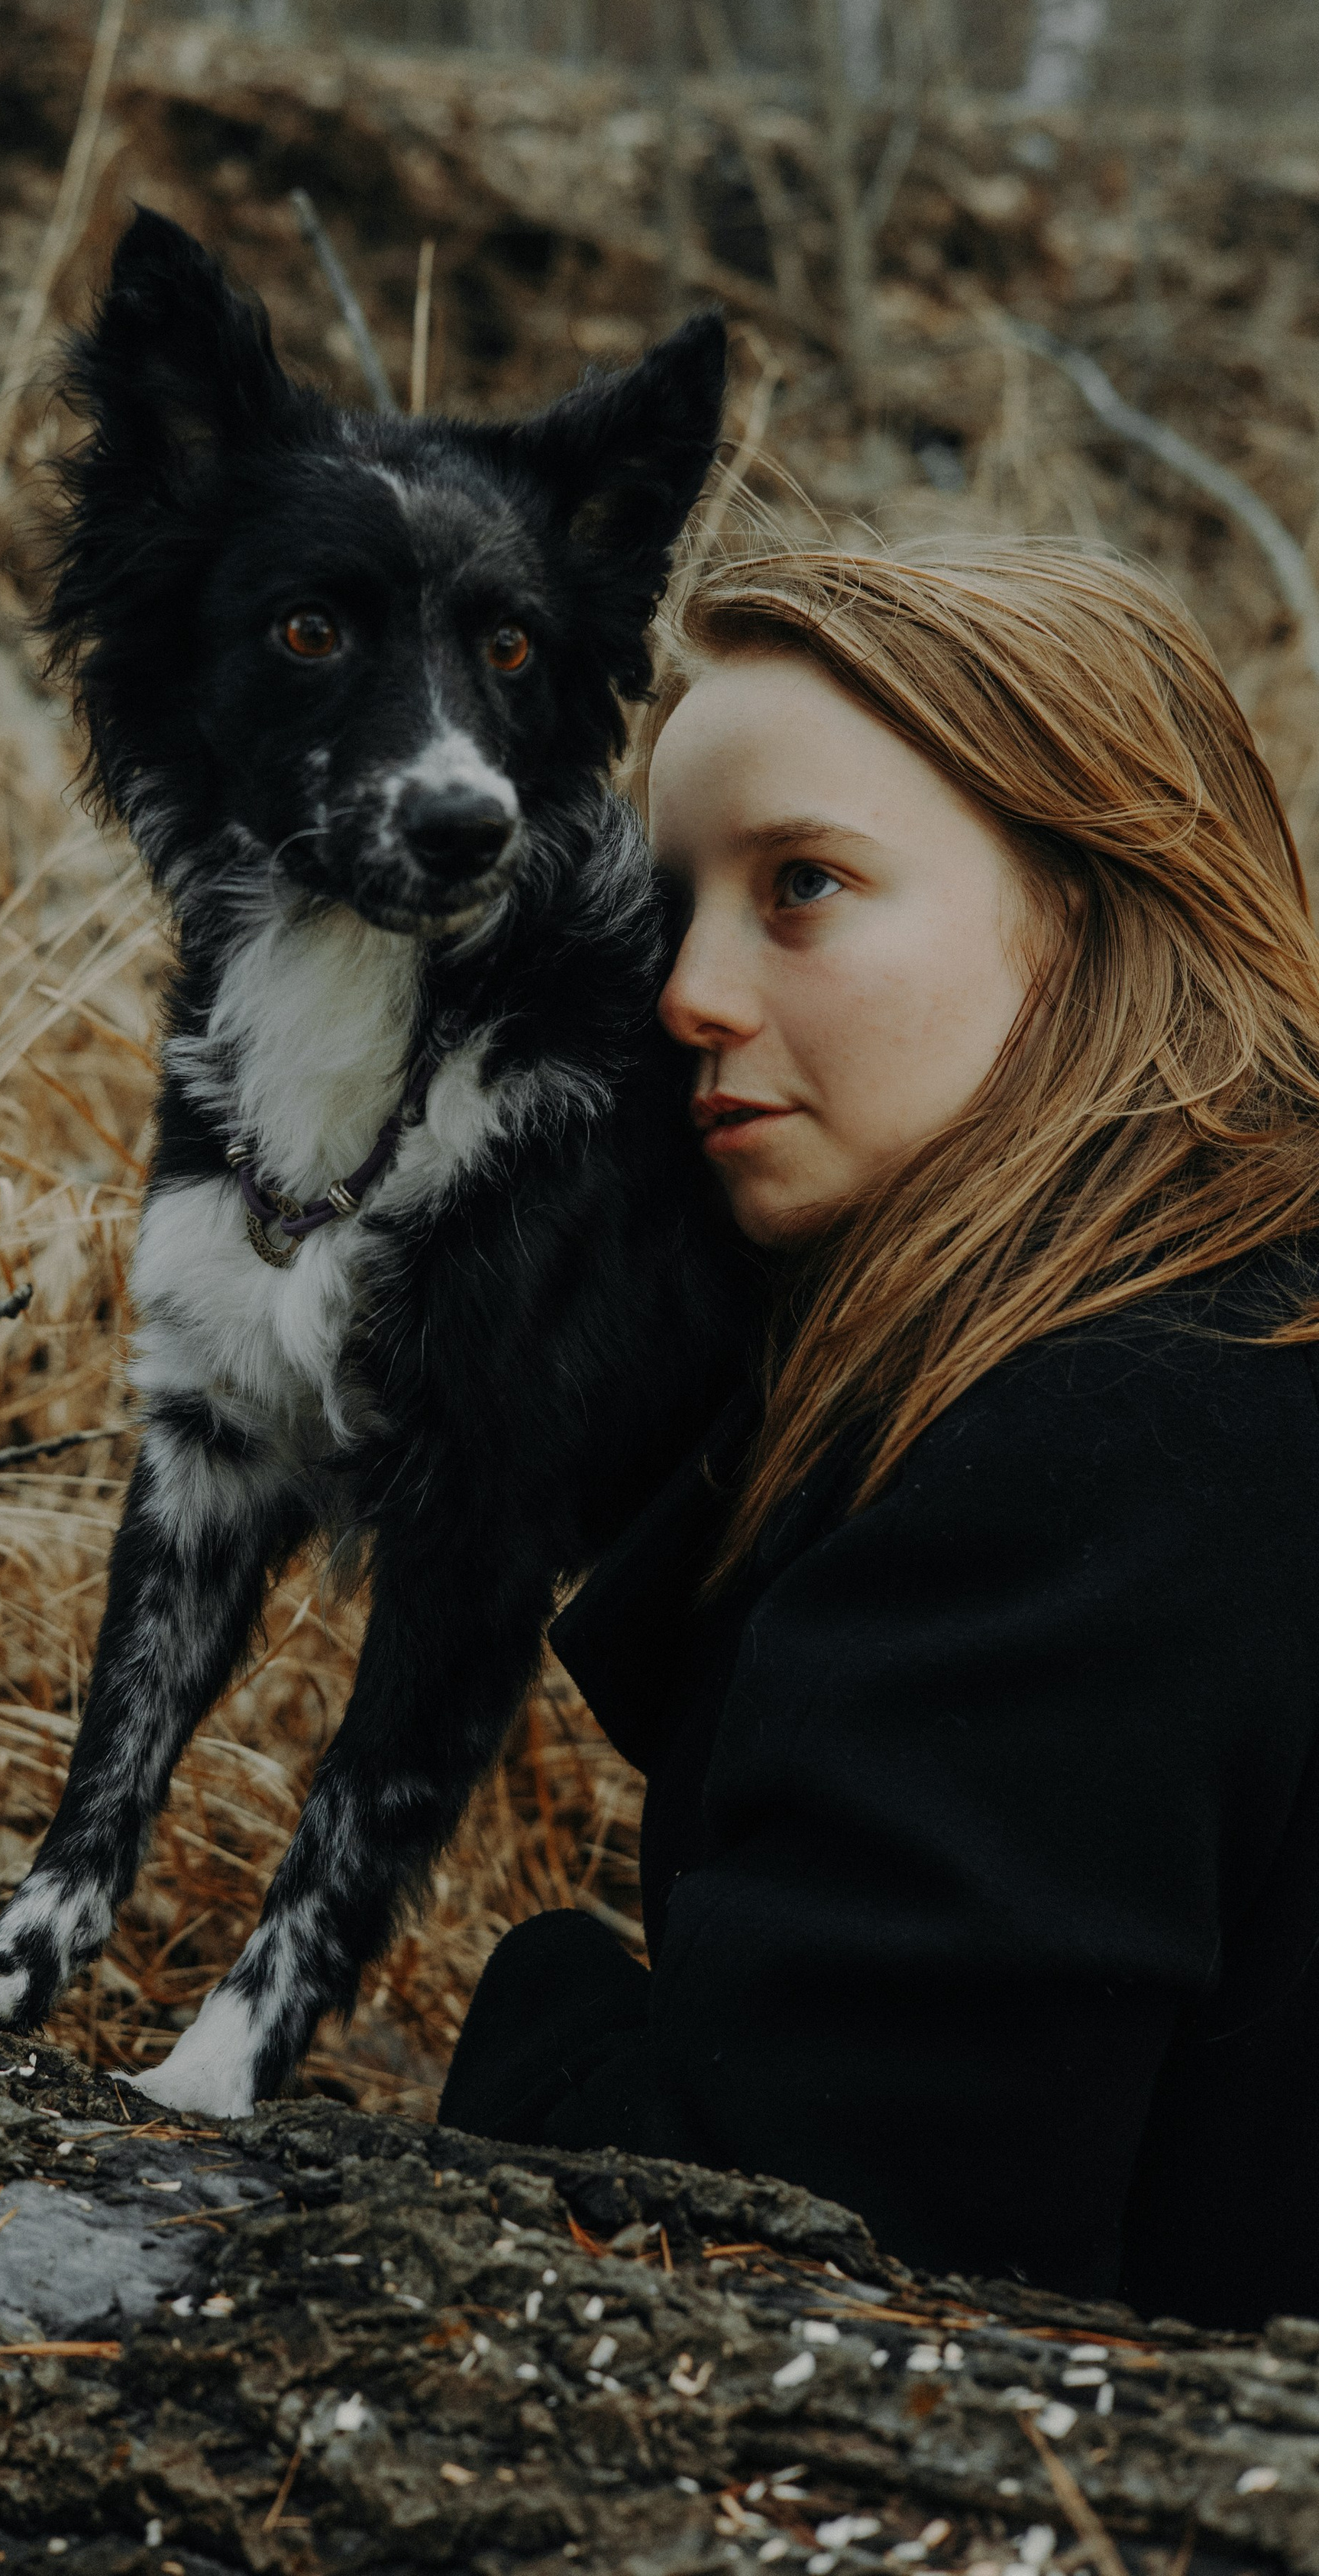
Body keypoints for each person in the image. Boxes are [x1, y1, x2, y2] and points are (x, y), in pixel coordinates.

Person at [438, 543, 1319, 2331]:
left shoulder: (1109, 1447)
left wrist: (536, 2015)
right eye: (667, 908)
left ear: (1083, 902)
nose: (684, 993)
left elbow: (817, 2258)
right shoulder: (1233, 1338)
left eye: (803, 886)